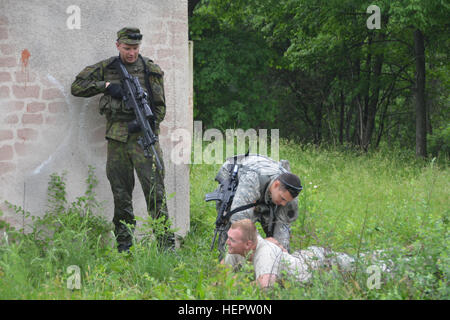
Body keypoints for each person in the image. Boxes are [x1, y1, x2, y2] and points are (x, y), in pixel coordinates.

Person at [71, 27, 174, 252]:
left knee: (156, 193)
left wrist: (146, 128)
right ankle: (124, 247)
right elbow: (77, 87)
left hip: (144, 140)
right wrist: (107, 87)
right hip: (117, 140)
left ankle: (166, 248)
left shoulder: (150, 69)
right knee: (121, 194)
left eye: (135, 48)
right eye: (127, 48)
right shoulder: (107, 68)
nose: (131, 53)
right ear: (118, 45)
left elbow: (160, 108)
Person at [222, 219, 391, 289]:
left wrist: (238, 285)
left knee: (363, 265)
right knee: (360, 260)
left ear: (248, 244)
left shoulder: (264, 254)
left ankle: (402, 257)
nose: (227, 242)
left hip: (320, 265)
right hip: (304, 259)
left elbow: (265, 288)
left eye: (232, 240)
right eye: (228, 238)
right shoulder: (237, 247)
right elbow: (220, 272)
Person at [210, 154, 302, 256]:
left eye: (287, 201)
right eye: (283, 198)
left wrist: (281, 251)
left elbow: (282, 228)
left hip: (265, 192)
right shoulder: (252, 179)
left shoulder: (289, 193)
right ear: (276, 185)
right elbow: (238, 219)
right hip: (236, 183)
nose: (284, 203)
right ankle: (227, 264)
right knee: (234, 232)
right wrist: (263, 242)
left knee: (277, 244)